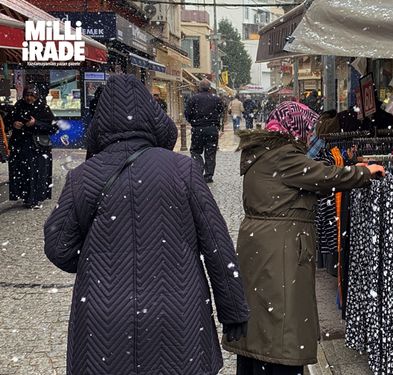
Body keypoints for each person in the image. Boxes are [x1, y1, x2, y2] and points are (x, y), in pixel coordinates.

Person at [43, 74, 249, 375]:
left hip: (104, 323)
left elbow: (58, 247)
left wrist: (100, 260)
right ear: (153, 115)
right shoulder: (183, 170)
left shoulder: (83, 177)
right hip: (179, 313)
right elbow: (217, 245)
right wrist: (233, 310)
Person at [223, 101, 384, 374]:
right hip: (279, 251)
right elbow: (325, 176)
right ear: (294, 128)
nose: (310, 134)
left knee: (264, 327)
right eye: (308, 128)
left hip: (265, 248)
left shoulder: (266, 153)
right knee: (280, 329)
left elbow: (301, 187)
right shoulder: (283, 155)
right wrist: (364, 172)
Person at [6, 85, 57, 209]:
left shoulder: (42, 108)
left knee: (36, 172)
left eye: (32, 95)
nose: (29, 98)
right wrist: (14, 124)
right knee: (22, 172)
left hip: (37, 147)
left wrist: (36, 124)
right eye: (27, 95)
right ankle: (25, 195)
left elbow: (52, 127)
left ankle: (34, 197)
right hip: (20, 145)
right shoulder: (18, 106)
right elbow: (8, 121)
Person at [185, 79, 225, 183]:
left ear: (199, 87)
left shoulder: (193, 99)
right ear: (210, 88)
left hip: (198, 128)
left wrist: (193, 122)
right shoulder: (216, 99)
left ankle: (198, 169)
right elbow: (221, 112)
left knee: (195, 151)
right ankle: (208, 175)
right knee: (210, 152)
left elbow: (187, 113)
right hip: (212, 128)